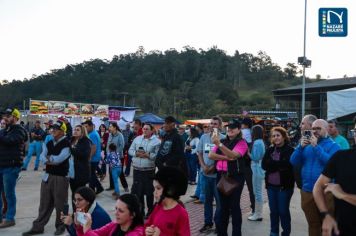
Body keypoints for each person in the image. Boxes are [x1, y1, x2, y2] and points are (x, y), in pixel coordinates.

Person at [290, 119, 340, 236]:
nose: (315, 131)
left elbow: (331, 165)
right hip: (307, 191)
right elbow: (293, 161)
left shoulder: (334, 146)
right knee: (313, 224)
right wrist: (300, 147)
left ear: (327, 129)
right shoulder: (305, 145)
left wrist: (316, 146)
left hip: (326, 192)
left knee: (326, 225)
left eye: (318, 128)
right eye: (313, 128)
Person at [23, 120, 71, 235]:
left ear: (62, 131)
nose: (53, 130)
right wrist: (49, 159)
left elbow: (59, 160)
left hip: (61, 177)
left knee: (60, 204)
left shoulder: (67, 144)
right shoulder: (49, 142)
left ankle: (61, 226)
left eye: (56, 129)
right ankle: (38, 226)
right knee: (44, 203)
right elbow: (42, 157)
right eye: (52, 128)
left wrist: (48, 159)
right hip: (48, 176)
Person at [313, 119, 356, 236]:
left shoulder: (336, 146)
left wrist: (343, 195)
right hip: (342, 228)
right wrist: (325, 215)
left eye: (318, 128)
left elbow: (325, 159)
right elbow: (318, 186)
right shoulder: (341, 157)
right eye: (355, 130)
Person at [209, 119, 248, 236]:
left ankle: (236, 233)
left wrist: (219, 145)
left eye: (233, 127)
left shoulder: (242, 142)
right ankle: (222, 233)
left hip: (235, 177)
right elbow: (211, 155)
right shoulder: (222, 141)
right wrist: (226, 157)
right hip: (221, 176)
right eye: (228, 127)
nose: (230, 129)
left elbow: (234, 155)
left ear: (239, 130)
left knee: (234, 206)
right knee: (223, 207)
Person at [262, 127, 295, 236]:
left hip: (284, 187)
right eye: (274, 136)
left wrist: (272, 164)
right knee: (274, 212)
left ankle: (286, 233)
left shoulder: (290, 150)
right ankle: (274, 232)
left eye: (278, 135)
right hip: (271, 186)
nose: (276, 138)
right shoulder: (270, 150)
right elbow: (264, 165)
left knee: (283, 211)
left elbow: (288, 166)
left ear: (284, 136)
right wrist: (278, 165)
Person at [0, 108, 28, 228]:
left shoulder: (19, 130)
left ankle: (10, 218)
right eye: (5, 115)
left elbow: (10, 141)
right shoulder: (4, 130)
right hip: (2, 165)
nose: (5, 118)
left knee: (8, 193)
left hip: (11, 167)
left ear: (16, 118)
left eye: (9, 115)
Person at [197, 116, 224, 233]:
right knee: (207, 201)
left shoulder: (223, 138)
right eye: (211, 123)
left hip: (218, 175)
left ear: (220, 126)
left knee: (219, 202)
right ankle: (208, 223)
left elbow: (225, 157)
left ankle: (219, 224)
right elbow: (199, 153)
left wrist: (213, 167)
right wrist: (203, 166)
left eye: (215, 124)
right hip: (205, 174)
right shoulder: (204, 137)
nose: (213, 126)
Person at [145, 166, 190, 236]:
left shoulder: (181, 214)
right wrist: (147, 230)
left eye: (158, 188)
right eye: (155, 188)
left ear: (170, 190)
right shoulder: (157, 207)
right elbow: (148, 224)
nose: (154, 192)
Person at [128, 123, 161, 217]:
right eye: (144, 129)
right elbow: (130, 150)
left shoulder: (157, 141)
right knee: (138, 192)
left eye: (147, 129)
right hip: (137, 169)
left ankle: (150, 211)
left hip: (149, 170)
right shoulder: (137, 139)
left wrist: (148, 155)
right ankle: (141, 210)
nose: (145, 130)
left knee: (149, 191)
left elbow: (158, 155)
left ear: (152, 130)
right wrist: (136, 154)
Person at [75, 194, 144, 236]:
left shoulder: (138, 233)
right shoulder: (115, 224)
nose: (116, 213)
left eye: (121, 211)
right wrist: (80, 227)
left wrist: (87, 230)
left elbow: (89, 233)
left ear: (132, 215)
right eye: (116, 208)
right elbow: (95, 233)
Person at [69, 125, 92, 210]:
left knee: (80, 195)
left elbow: (84, 155)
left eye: (77, 130)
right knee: (73, 194)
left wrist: (71, 149)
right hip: (72, 172)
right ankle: (75, 212)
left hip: (81, 172)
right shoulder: (72, 140)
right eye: (74, 129)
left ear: (82, 132)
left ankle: (81, 213)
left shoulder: (86, 141)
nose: (75, 131)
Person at [248, 125, 266, 222]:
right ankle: (257, 213)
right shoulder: (261, 142)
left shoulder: (257, 143)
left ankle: (258, 214)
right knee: (257, 191)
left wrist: (248, 153)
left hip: (257, 169)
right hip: (258, 169)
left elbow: (255, 158)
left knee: (257, 191)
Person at [82, 120, 104, 195]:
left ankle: (95, 189)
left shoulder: (93, 135)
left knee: (91, 175)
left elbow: (93, 148)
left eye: (86, 126)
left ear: (91, 126)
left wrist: (89, 158)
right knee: (92, 175)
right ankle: (96, 188)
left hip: (93, 158)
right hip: (94, 158)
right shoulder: (92, 133)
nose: (85, 128)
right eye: (84, 127)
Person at [107, 122, 129, 192]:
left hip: (119, 157)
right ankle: (112, 186)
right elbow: (108, 144)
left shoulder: (120, 135)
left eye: (110, 126)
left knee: (120, 172)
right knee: (111, 171)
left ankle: (125, 186)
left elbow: (122, 146)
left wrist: (115, 153)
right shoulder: (110, 135)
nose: (109, 128)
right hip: (111, 156)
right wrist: (108, 153)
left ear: (115, 127)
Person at [240, 117, 255, 215]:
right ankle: (254, 207)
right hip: (250, 164)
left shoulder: (243, 132)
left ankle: (233, 209)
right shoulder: (252, 133)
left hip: (241, 163)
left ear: (245, 124)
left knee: (237, 188)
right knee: (251, 188)